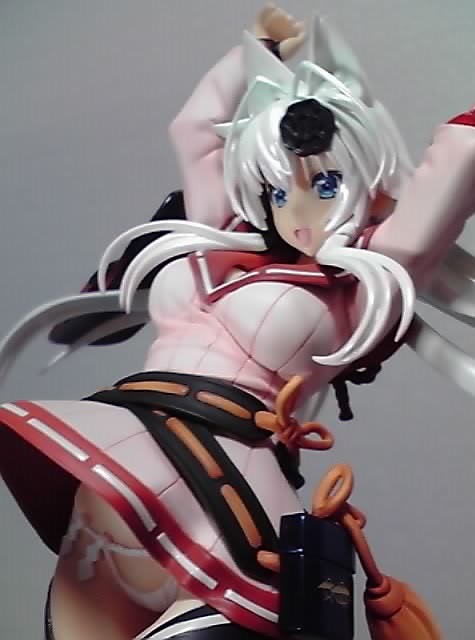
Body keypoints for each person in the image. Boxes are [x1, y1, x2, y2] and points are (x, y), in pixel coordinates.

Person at [1, 5, 475, 639]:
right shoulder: (221, 233)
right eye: (280, 191)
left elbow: (461, 154)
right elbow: (195, 129)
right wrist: (259, 49)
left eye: (325, 185)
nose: (298, 211)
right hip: (121, 469)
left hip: (227, 497)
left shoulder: (362, 281)